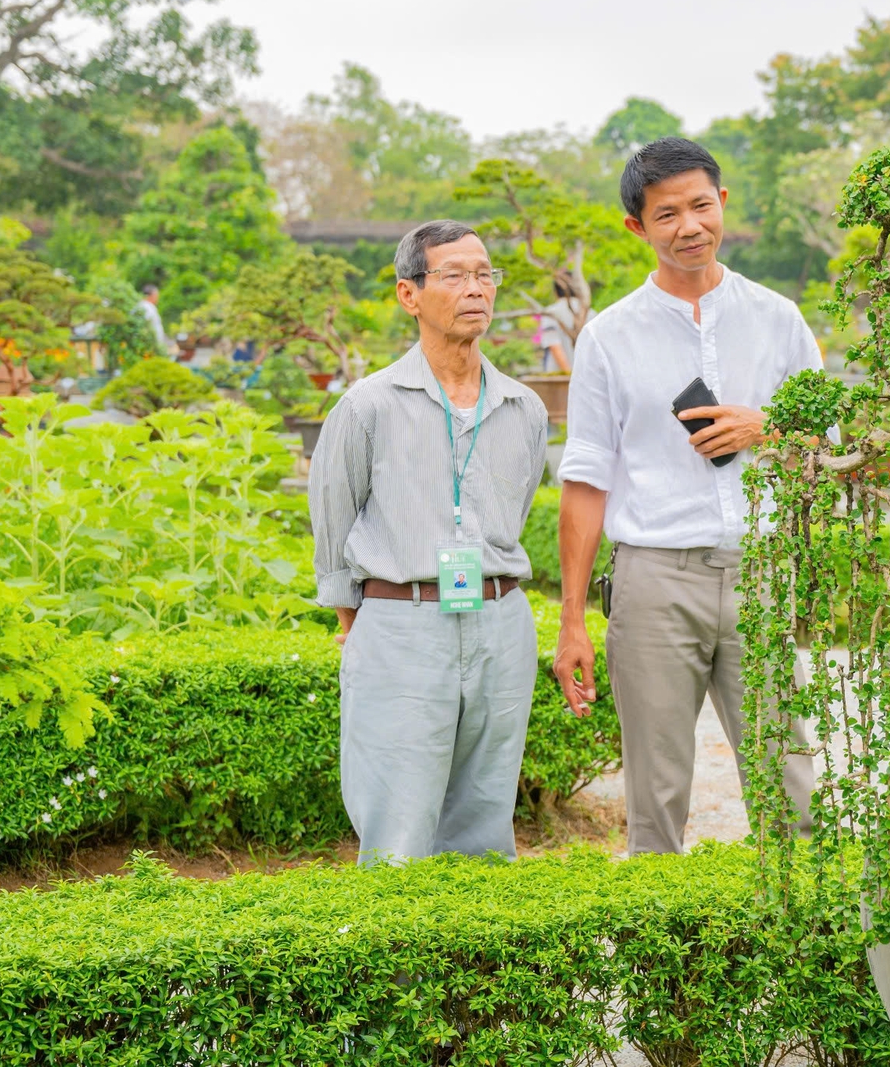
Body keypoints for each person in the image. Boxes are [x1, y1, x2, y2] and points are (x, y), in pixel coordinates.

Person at [553, 136, 817, 856]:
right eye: (667, 214)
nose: (689, 225)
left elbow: (834, 443)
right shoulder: (608, 337)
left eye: (702, 205)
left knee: (791, 786)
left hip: (760, 571)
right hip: (652, 579)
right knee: (656, 796)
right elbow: (585, 481)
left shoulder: (778, 320)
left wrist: (770, 424)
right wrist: (573, 622)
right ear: (638, 228)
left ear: (723, 204)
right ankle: (667, 967)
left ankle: (800, 954)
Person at [309, 220, 549, 864]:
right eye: (453, 275)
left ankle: (478, 961)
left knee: (486, 816)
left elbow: (516, 512)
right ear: (408, 295)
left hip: (501, 620)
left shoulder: (524, 408)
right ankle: (399, 967)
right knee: (398, 826)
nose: (476, 289)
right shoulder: (367, 406)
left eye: (485, 274)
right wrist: (355, 618)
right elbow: (331, 522)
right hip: (401, 622)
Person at [136, 284, 173, 359]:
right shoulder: (145, 307)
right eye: (157, 295)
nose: (157, 298)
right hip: (149, 345)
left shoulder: (148, 306)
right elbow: (145, 326)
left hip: (154, 344)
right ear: (151, 295)